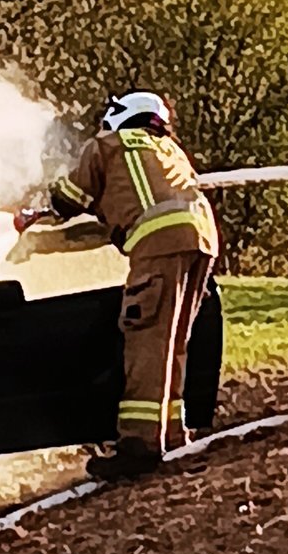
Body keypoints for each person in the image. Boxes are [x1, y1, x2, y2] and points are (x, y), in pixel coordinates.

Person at [47, 91, 219, 481]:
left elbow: (71, 198)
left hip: (160, 242)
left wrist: (48, 202)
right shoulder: (168, 149)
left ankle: (138, 447)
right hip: (203, 239)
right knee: (174, 341)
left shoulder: (108, 144)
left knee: (146, 341)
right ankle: (173, 435)